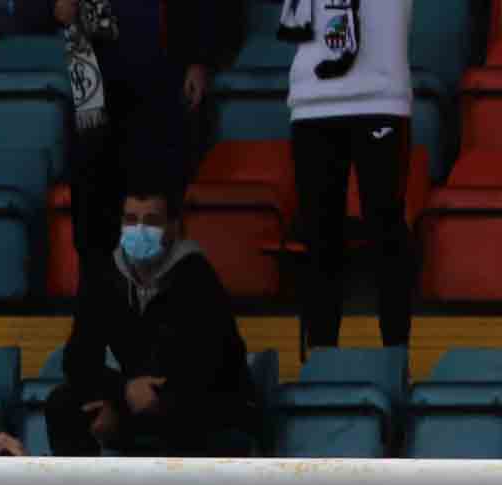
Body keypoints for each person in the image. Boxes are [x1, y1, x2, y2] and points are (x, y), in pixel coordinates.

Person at [35, 0, 236, 276]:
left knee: (155, 195)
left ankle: (157, 302)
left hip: (160, 73)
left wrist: (198, 60)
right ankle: (96, 302)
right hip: (92, 76)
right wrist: (57, 8)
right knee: (93, 198)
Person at [49, 187, 254, 457]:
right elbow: (78, 359)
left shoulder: (197, 278)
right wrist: (121, 393)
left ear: (173, 226)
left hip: (197, 402)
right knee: (63, 403)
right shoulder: (105, 278)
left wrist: (153, 398)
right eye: (131, 220)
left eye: (152, 221)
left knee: (181, 409)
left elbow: (210, 367)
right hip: (134, 398)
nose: (140, 229)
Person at [285, 0, 414, 355]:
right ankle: (322, 359)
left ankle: (396, 357)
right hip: (312, 96)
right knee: (319, 233)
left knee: (385, 229)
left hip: (382, 94)